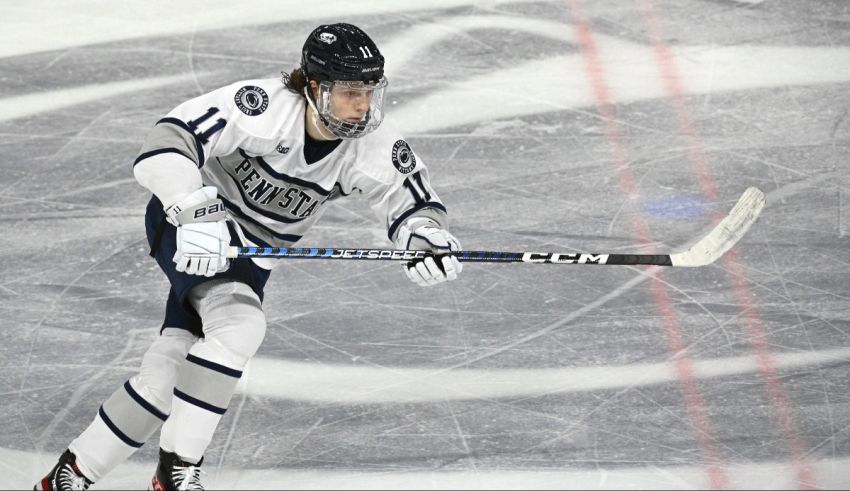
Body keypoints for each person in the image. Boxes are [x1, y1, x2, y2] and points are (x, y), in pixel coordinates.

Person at [34, 22, 462, 491]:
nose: (363, 107)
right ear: (315, 87)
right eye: (350, 93)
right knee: (240, 326)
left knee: (169, 374)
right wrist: (193, 206)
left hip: (252, 258)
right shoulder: (261, 106)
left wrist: (424, 238)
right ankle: (176, 473)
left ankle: (67, 476)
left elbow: (412, 201)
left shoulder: (370, 145)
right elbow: (164, 143)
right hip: (192, 228)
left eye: (370, 92)